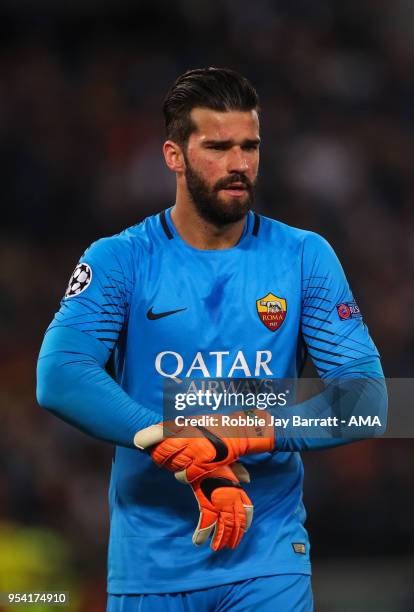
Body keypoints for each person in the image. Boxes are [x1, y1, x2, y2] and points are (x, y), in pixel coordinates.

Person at [37, 67, 387, 612]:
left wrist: (237, 435)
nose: (239, 164)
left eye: (250, 146)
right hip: (151, 563)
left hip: (268, 556)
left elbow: (369, 398)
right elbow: (59, 374)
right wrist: (166, 437)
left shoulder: (302, 256)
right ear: (173, 156)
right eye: (218, 147)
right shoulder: (120, 259)